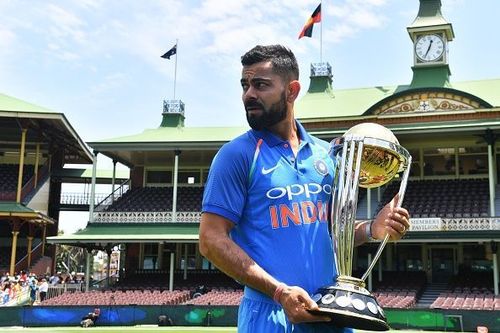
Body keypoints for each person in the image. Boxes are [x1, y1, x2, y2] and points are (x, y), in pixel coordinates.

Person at [199, 44, 410, 333]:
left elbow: (335, 232)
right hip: (270, 316)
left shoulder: (326, 155)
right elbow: (210, 240)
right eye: (245, 85)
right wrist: (279, 292)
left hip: (332, 313)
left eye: (260, 85)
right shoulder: (236, 155)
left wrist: (373, 228)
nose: (249, 94)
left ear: (292, 91)